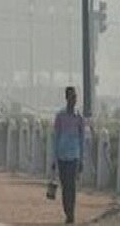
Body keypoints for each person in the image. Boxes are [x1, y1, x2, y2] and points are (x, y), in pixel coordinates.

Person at [53, 85, 85, 224]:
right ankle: (67, 210)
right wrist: (54, 158)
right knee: (65, 185)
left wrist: (82, 158)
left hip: (74, 156)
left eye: (75, 97)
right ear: (67, 98)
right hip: (62, 155)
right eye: (71, 97)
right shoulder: (60, 116)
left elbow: (82, 139)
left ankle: (71, 212)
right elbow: (56, 137)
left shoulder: (79, 117)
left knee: (71, 185)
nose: (73, 100)